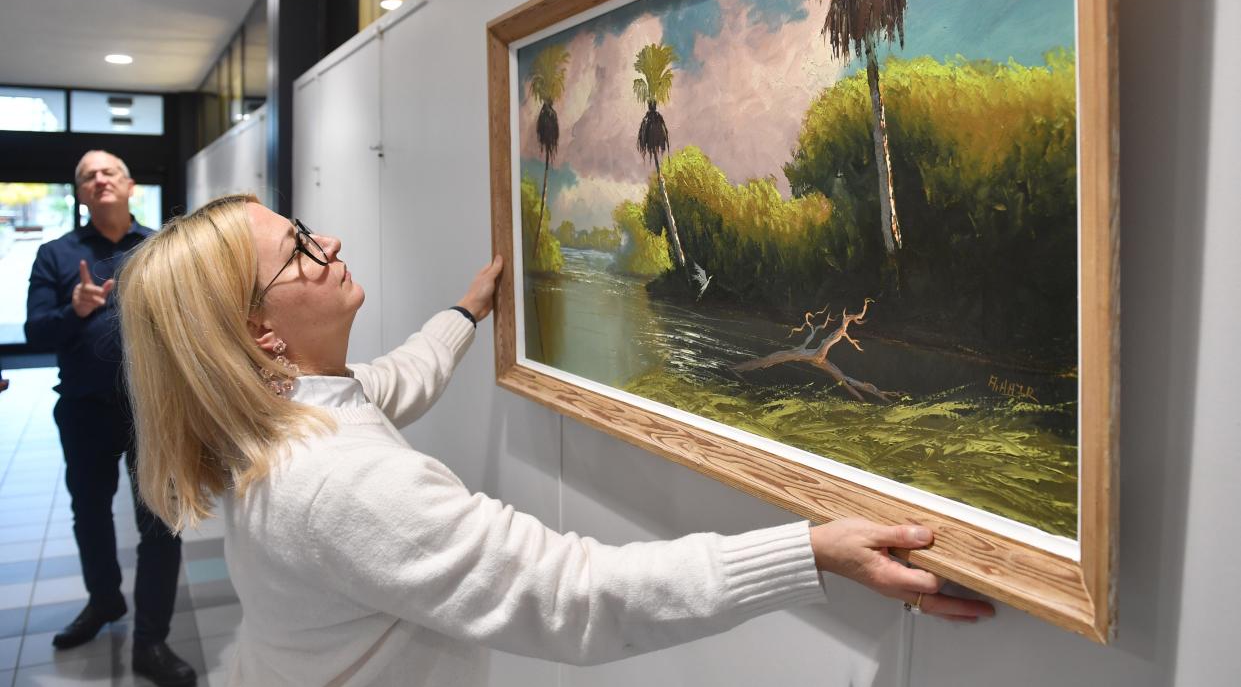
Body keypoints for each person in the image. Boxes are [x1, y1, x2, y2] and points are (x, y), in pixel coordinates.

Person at [117, 195, 993, 687]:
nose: (328, 240)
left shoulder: (278, 418)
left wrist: (468, 311)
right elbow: (576, 595)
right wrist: (812, 550)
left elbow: (396, 378)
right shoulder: (336, 481)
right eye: (299, 249)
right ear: (262, 333)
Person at [24, 150, 196, 687]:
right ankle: (103, 603)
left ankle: (151, 641)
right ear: (79, 193)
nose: (98, 179)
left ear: (129, 185)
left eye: (108, 172)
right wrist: (73, 310)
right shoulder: (56, 255)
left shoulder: (160, 249)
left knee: (160, 525)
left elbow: (192, 321)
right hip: (83, 409)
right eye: (86, 176)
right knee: (90, 516)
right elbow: (35, 333)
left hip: (154, 411)